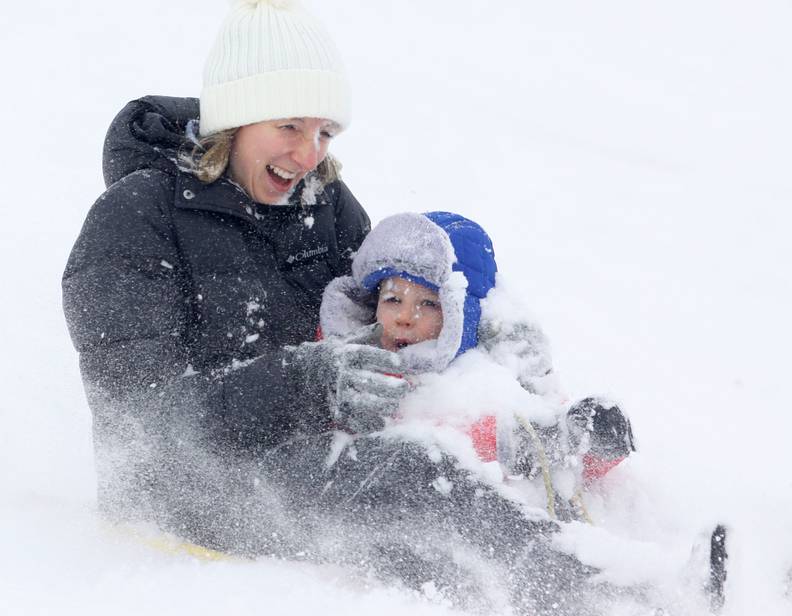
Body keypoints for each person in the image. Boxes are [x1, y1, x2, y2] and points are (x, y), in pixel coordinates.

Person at [62, 1, 605, 612]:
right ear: (236, 119)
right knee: (415, 474)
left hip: (320, 449)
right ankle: (602, 596)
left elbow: (389, 320)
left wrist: (504, 363)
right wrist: (305, 382)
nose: (308, 154)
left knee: (434, 477)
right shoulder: (135, 218)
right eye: (289, 126)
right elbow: (140, 417)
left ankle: (556, 479)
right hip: (189, 490)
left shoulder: (322, 204)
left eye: (325, 133)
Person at [319, 211, 635, 521]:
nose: (404, 316)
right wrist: (512, 444)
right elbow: (402, 442)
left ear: (460, 314)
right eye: (392, 300)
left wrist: (591, 441)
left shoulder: (493, 373)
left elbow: (561, 453)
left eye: (428, 304)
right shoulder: (355, 365)